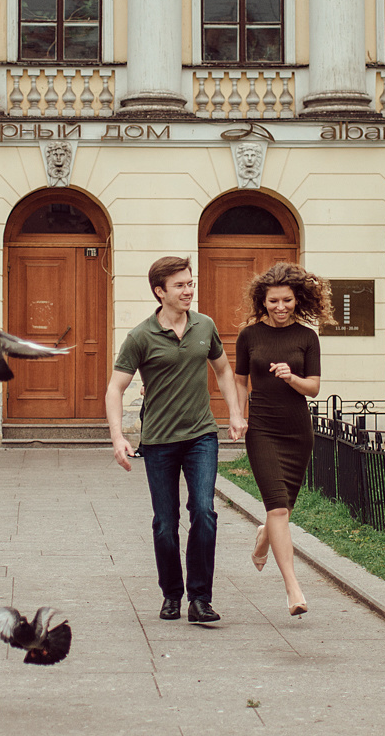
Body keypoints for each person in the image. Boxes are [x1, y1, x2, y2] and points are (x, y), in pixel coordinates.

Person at [108, 255, 244, 625]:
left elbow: (223, 370)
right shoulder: (140, 336)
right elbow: (115, 388)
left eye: (190, 283)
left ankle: (200, 599)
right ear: (160, 291)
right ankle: (171, 594)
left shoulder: (205, 325)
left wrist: (234, 413)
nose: (188, 290)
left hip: (202, 435)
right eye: (180, 285)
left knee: (204, 511)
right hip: (159, 441)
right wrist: (118, 437)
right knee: (165, 523)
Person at [233, 262, 323, 616]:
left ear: (296, 299)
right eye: (273, 301)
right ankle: (293, 589)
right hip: (263, 430)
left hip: (298, 431)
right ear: (263, 301)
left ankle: (264, 536)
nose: (280, 307)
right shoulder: (249, 336)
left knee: (283, 509)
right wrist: (238, 415)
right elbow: (240, 381)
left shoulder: (307, 337)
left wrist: (291, 377)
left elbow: (313, 388)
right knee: (279, 509)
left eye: (286, 300)